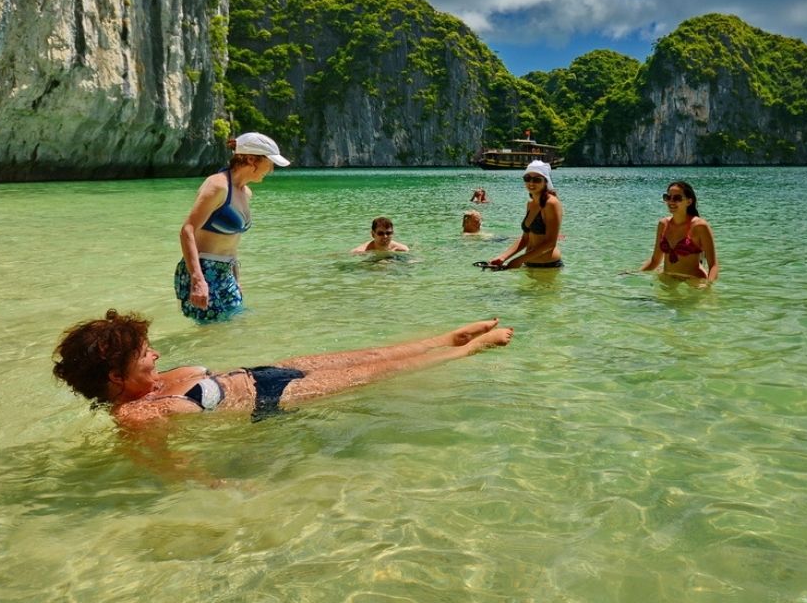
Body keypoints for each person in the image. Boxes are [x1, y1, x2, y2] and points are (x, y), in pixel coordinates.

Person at [53, 310, 513, 427]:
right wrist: (216, 485)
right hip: (272, 398)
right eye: (144, 355)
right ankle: (469, 349)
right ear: (115, 378)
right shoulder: (135, 415)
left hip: (264, 372)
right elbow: (169, 466)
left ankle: (445, 338)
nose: (155, 356)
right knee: (381, 374)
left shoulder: (147, 389)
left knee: (372, 355)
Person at [175, 132, 290, 323]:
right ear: (251, 159)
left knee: (234, 329)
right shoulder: (218, 185)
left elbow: (232, 242)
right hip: (204, 271)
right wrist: (198, 280)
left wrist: (236, 279)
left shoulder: (246, 192)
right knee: (212, 335)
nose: (271, 170)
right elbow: (187, 230)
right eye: (269, 163)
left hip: (225, 273)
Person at [488, 160, 563, 269]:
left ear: (545, 182)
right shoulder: (530, 204)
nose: (531, 183)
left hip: (548, 267)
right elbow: (525, 238)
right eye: (527, 178)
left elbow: (550, 243)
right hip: (529, 265)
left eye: (537, 180)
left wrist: (519, 260)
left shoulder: (551, 203)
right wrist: (503, 257)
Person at [640, 180, 718, 280]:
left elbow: (713, 266)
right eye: (668, 197)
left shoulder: (700, 226)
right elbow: (655, 260)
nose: (671, 201)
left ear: (689, 201)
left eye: (677, 198)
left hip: (693, 282)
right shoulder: (663, 224)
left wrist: (708, 287)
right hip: (668, 279)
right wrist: (635, 274)